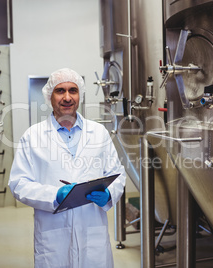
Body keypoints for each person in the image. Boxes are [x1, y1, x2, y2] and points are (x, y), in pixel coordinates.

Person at [8, 68, 126, 268]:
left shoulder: (98, 133)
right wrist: (54, 195)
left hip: (92, 229)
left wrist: (109, 194)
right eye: (60, 91)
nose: (67, 97)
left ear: (79, 95)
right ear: (49, 96)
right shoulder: (33, 136)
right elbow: (18, 183)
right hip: (53, 233)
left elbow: (118, 174)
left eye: (73, 90)